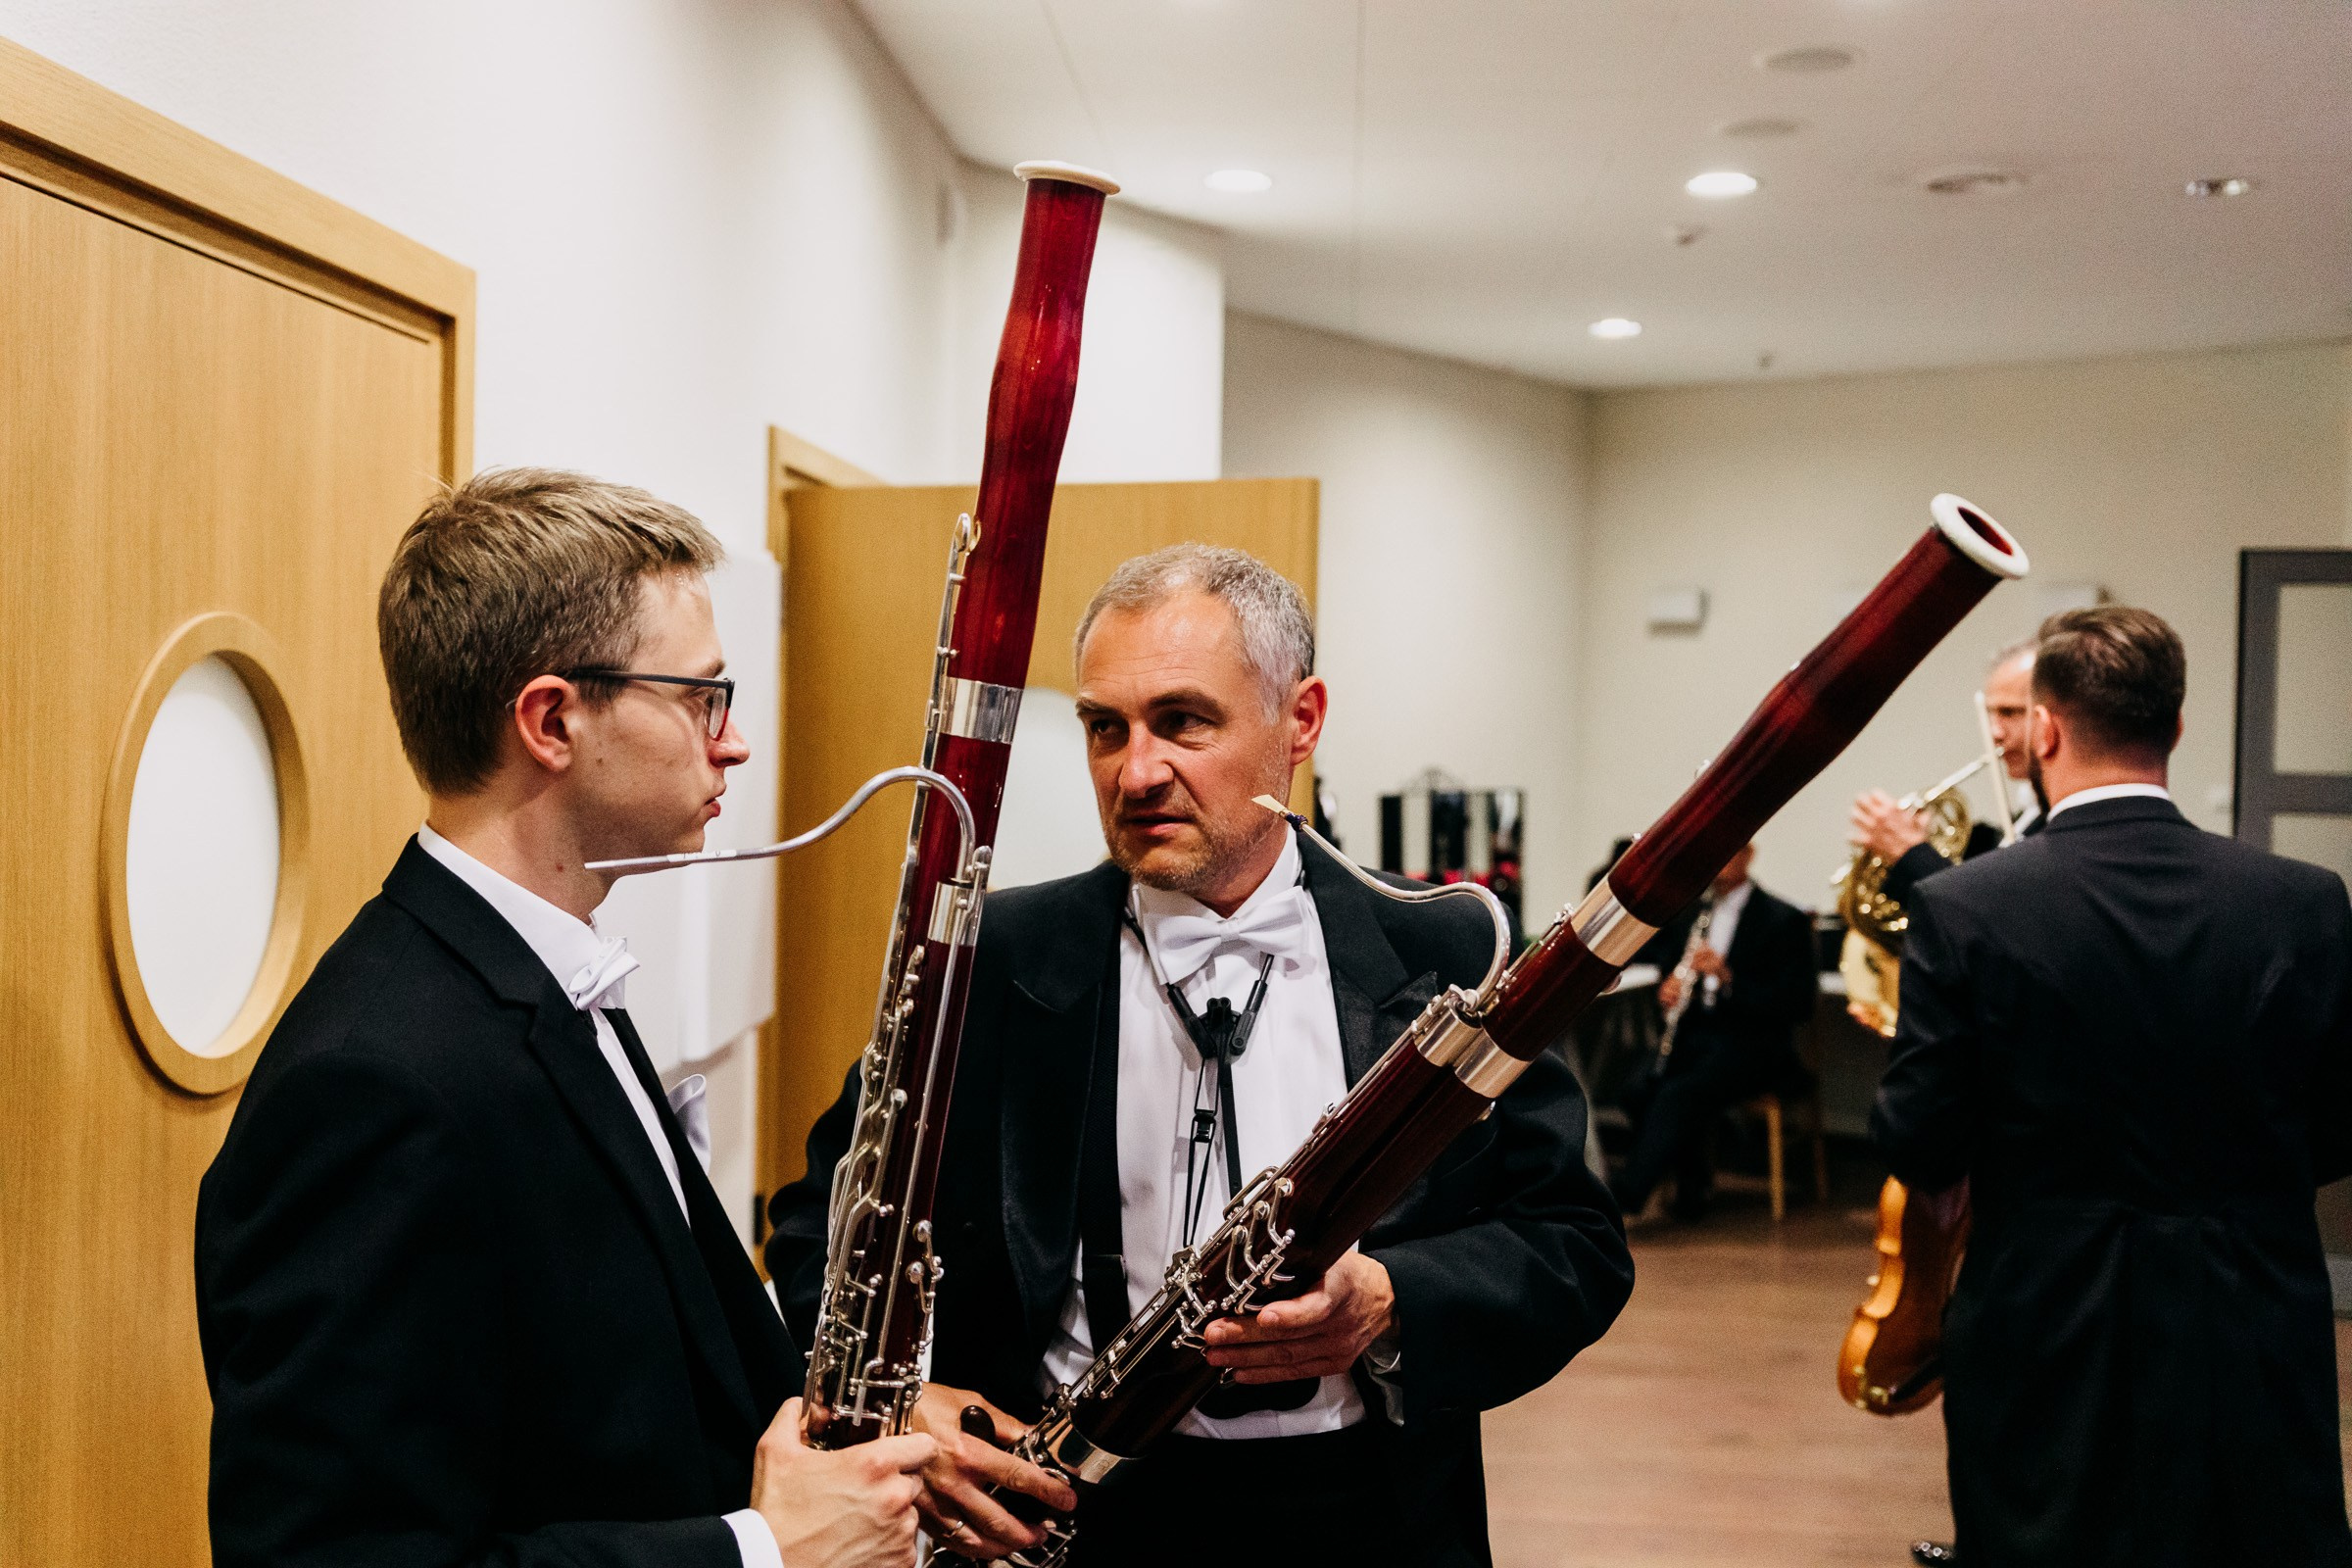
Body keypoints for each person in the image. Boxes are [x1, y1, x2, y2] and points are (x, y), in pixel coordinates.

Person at [765, 544, 1634, 1566]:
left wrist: (1390, 1304)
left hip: (1369, 1515)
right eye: (1104, 727)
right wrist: (906, 1398)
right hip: (1067, 1513)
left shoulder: (1441, 948)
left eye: (1183, 721)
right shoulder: (993, 959)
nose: (1135, 772)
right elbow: (820, 1226)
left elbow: (1573, 1244)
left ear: (1299, 721)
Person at [195, 470, 934, 1568]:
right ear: (551, 719)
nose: (729, 743)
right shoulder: (371, 1083)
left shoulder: (543, 972)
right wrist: (760, 1551)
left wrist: (877, 1463)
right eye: (700, 697)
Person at [1872, 606, 2352, 1567]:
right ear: (2174, 727)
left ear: (2044, 728)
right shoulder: (2304, 900)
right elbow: (2339, 1127)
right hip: (2251, 1308)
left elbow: (1920, 1136)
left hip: (2046, 1312)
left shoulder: (1964, 905)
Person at [1606, 844, 1819, 1221]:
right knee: (1636, 1088)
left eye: (1728, 852)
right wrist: (1669, 987)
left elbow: (1798, 1003)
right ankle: (1694, 1185)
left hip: (1756, 1044)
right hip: (1698, 1034)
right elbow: (1669, 965)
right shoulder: (1693, 913)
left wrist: (1728, 980)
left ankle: (1627, 1196)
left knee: (1679, 1093)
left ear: (1749, 855)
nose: (1718, 862)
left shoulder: (1783, 919)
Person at [1849, 641, 2042, 910]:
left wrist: (1912, 854)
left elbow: (1998, 922)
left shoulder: (2061, 822)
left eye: (2009, 712)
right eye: (1990, 714)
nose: (1994, 733)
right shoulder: (2026, 816)